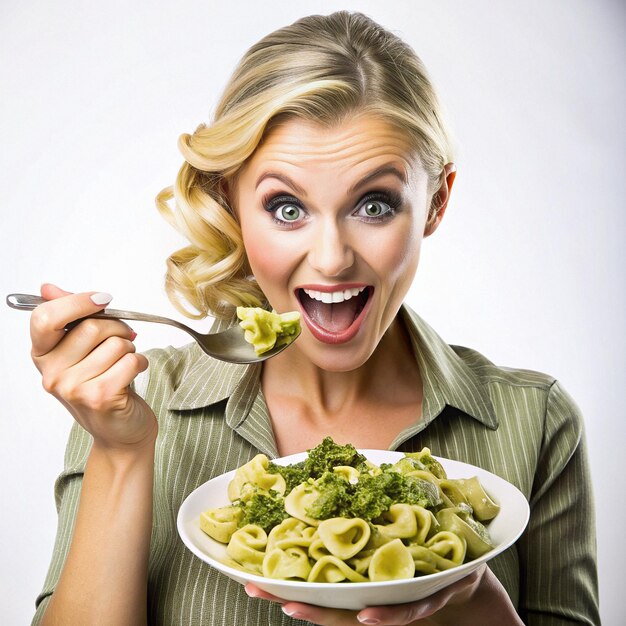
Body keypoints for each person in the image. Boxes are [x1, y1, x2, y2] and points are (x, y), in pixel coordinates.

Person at [28, 11, 599, 626]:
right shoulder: (135, 403)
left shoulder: (535, 422)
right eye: (287, 207)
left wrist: (471, 610)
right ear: (230, 203)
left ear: (436, 203)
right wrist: (120, 453)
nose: (330, 259)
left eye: (374, 204)